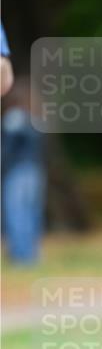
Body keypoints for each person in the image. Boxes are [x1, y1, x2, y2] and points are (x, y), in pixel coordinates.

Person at [1, 76, 45, 263]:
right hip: (35, 171)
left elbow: (7, 150)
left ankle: (20, 255)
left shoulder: (14, 118)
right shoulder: (36, 119)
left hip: (17, 171)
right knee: (32, 212)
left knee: (16, 212)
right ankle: (31, 254)